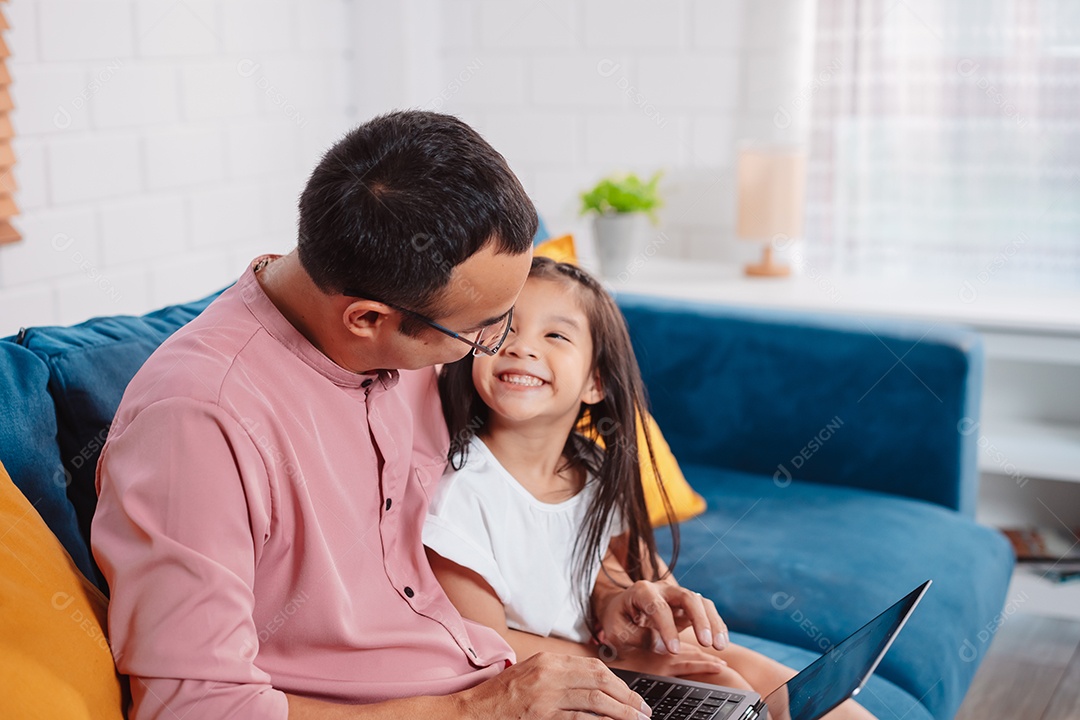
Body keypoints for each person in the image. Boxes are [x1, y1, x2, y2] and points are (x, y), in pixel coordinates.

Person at [93, 111, 679, 720]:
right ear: (368, 319)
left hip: (495, 674)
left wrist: (608, 592)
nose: (502, 342)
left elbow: (522, 494)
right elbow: (193, 709)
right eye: (485, 328)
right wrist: (473, 712)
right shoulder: (197, 423)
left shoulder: (414, 320)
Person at [424, 257, 876, 720]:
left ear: (596, 381)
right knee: (731, 690)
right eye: (504, 330)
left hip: (605, 655)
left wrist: (652, 608)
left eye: (555, 335)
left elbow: (609, 570)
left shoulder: (593, 469)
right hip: (549, 682)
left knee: (794, 690)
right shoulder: (461, 491)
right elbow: (486, 648)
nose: (521, 348)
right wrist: (621, 660)